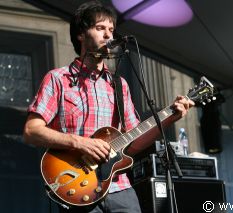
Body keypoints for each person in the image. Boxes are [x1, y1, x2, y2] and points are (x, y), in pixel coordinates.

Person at [23, 1, 194, 213]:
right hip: (76, 187)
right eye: (100, 28)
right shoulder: (58, 79)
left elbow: (134, 143)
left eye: (111, 30)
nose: (108, 36)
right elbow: (31, 132)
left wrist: (170, 118)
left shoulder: (119, 85)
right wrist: (81, 143)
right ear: (81, 34)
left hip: (120, 187)